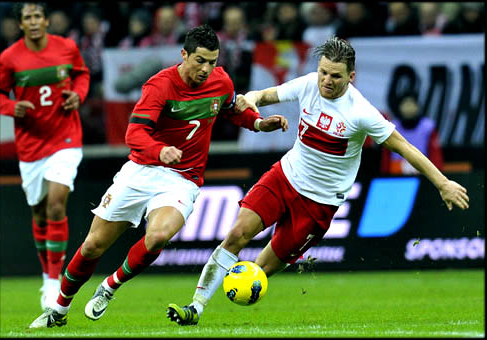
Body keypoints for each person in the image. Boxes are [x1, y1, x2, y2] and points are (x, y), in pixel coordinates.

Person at [166, 36, 470, 326]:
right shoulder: (309, 85)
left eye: (335, 76)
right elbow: (269, 94)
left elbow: (405, 147)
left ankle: (237, 288)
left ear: (351, 76)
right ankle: (196, 306)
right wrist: (253, 98)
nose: (326, 80)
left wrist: (442, 183)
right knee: (237, 233)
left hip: (318, 204)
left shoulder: (361, 113)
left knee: (258, 272)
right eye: (323, 72)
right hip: (285, 177)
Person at [28, 24, 288, 329]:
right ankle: (58, 309)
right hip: (141, 170)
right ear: (184, 55)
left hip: (182, 178)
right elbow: (134, 132)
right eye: (200, 60)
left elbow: (231, 109)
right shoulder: (160, 85)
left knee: (158, 236)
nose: (206, 69)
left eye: (212, 62)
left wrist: (259, 124)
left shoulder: (221, 82)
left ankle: (110, 286)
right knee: (92, 247)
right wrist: (159, 149)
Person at [0, 2, 90, 311]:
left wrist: (79, 94)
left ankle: (54, 283)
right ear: (21, 24)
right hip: (30, 145)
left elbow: (82, 75)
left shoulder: (67, 48)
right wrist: (12, 108)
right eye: (28, 17)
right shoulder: (9, 58)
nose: (34, 21)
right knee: (39, 213)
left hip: (65, 139)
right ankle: (46, 275)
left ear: (47, 20)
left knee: (55, 203)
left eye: (38, 15)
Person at [380, 90, 444, 175]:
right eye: (405, 104)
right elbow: (385, 160)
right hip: (395, 178)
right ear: (399, 107)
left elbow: (436, 158)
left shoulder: (428, 127)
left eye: (411, 104)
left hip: (423, 177)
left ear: (417, 106)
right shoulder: (391, 128)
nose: (408, 108)